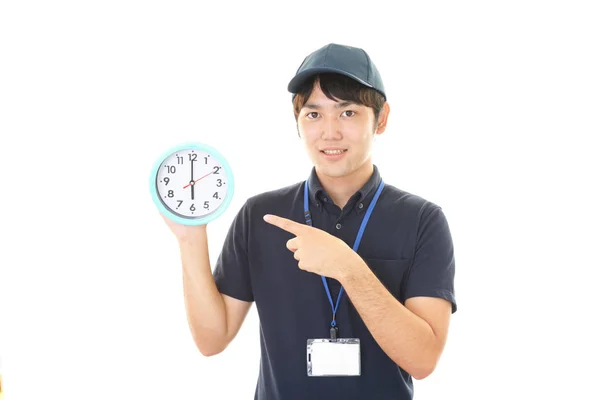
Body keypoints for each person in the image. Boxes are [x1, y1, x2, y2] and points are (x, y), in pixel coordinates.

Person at [162, 43, 457, 400]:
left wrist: (349, 269)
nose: (329, 132)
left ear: (381, 118)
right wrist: (191, 239)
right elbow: (212, 339)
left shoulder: (422, 220)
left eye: (348, 113)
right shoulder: (261, 215)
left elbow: (423, 360)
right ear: (298, 122)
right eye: (314, 115)